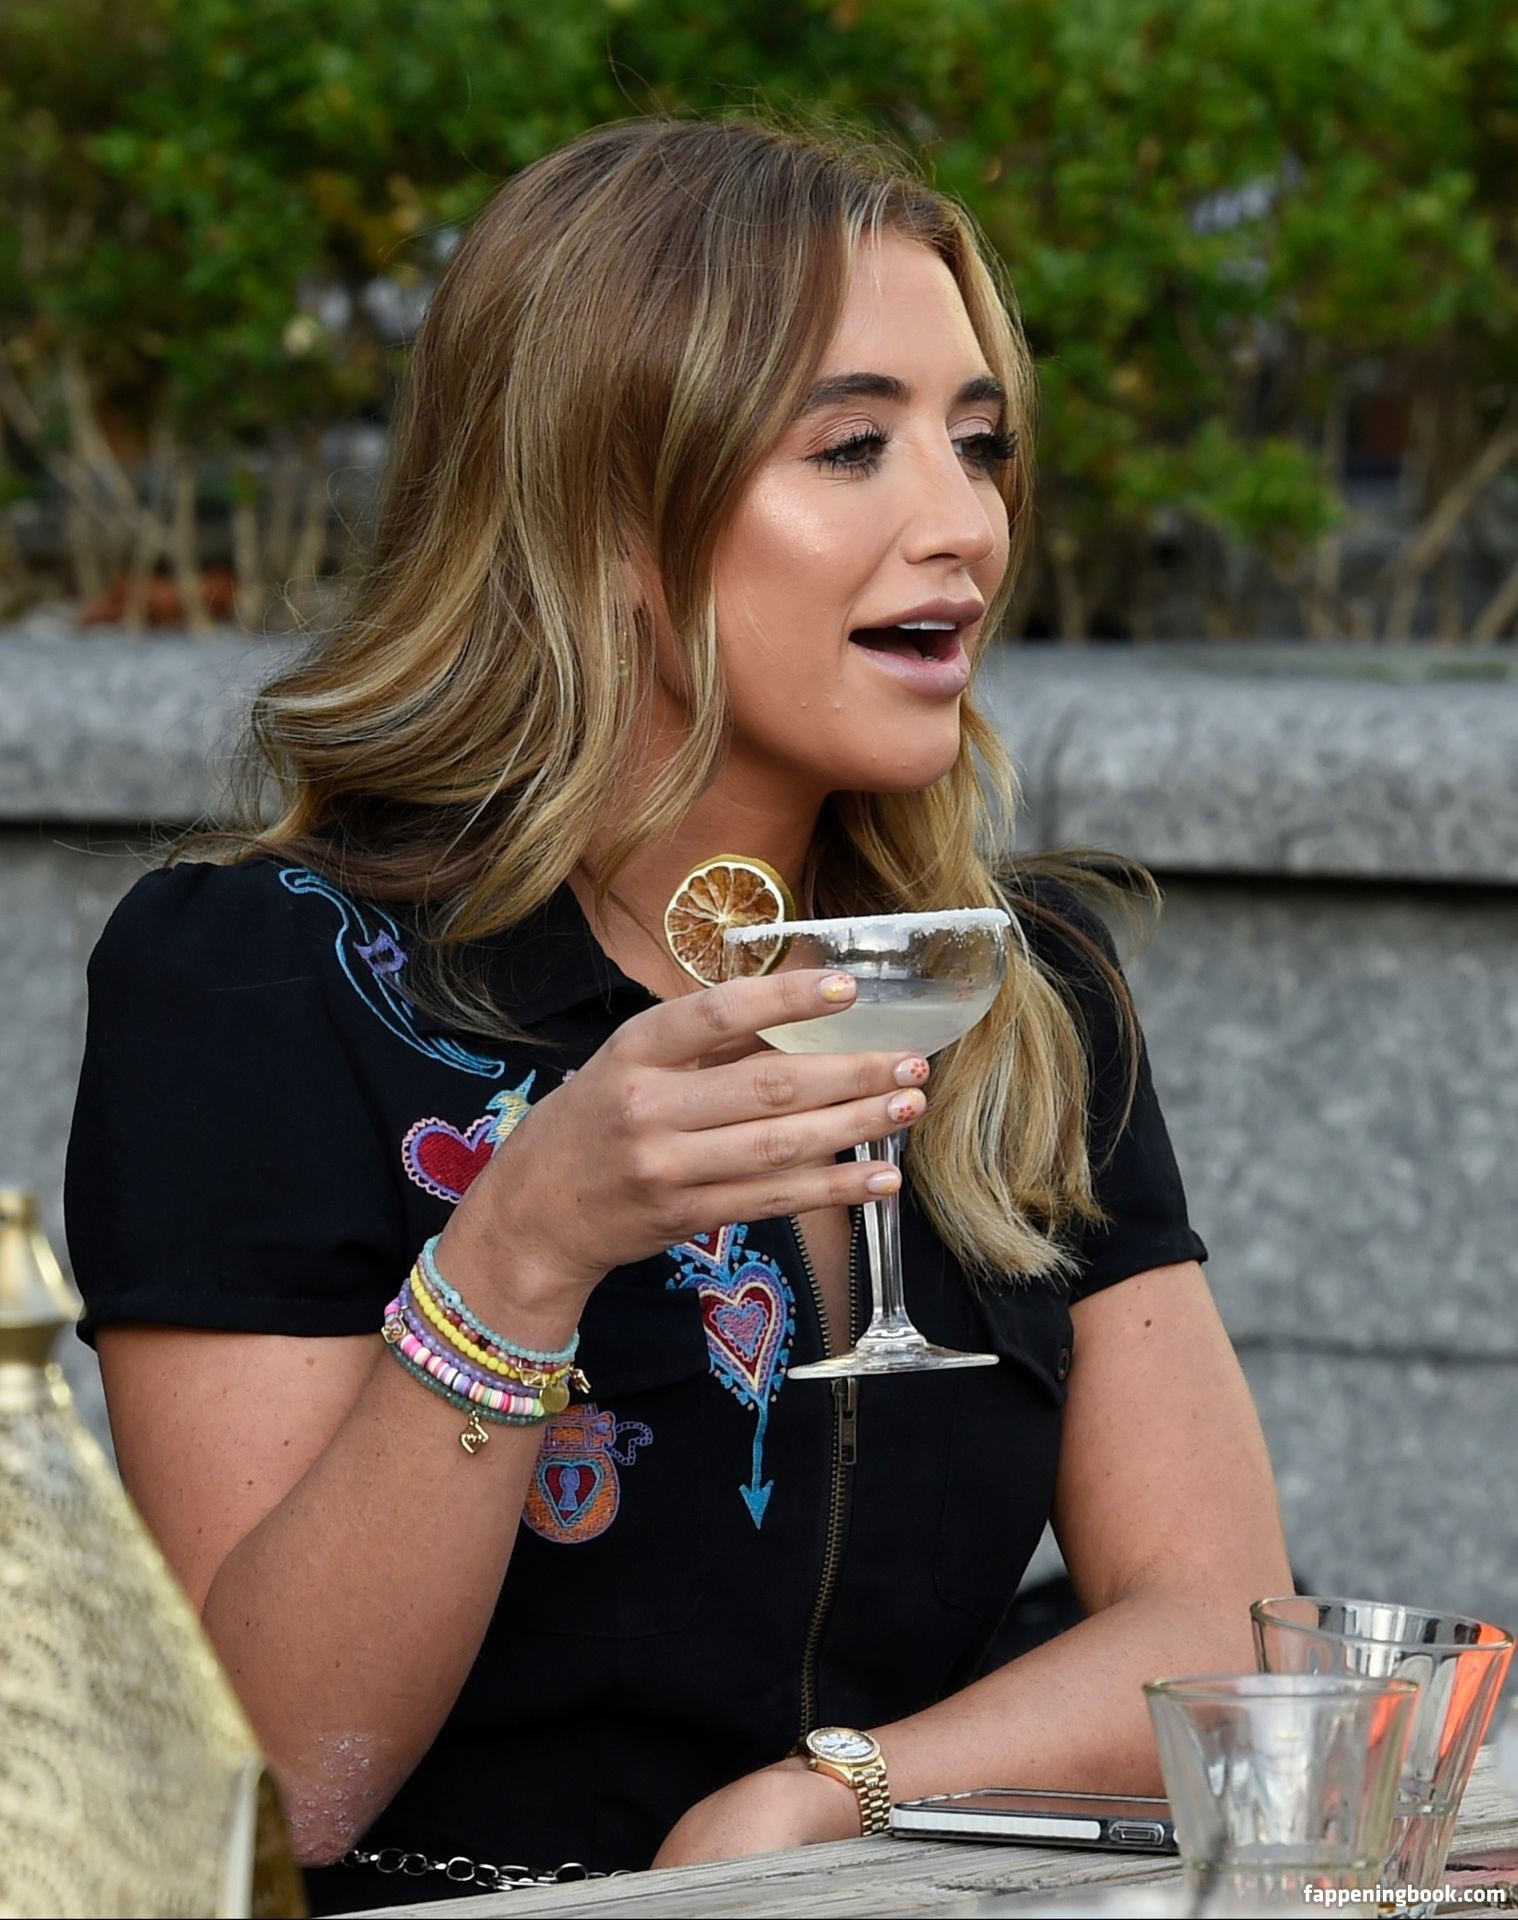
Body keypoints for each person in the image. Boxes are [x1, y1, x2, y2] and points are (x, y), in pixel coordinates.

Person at [64, 112, 1291, 1913]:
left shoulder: (1013, 986)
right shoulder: (264, 974)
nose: (963, 522)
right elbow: (271, 1780)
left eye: (976, 444)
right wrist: (516, 1260)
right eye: (852, 446)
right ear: (607, 510)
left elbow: (1223, 1631)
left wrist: (828, 1798)